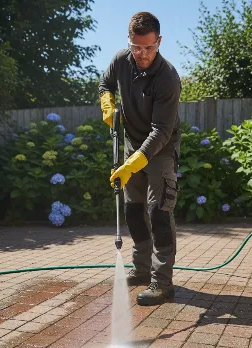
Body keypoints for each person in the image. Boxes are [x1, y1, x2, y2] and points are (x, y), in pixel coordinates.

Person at [99, 11, 181, 306]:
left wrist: (132, 163)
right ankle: (142, 269)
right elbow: (105, 84)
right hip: (131, 144)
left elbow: (160, 131)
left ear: (159, 41)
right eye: (136, 47)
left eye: (149, 48)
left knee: (159, 213)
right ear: (129, 41)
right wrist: (107, 106)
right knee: (133, 211)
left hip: (160, 150)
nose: (142, 54)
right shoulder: (121, 60)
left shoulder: (168, 78)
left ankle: (162, 283)